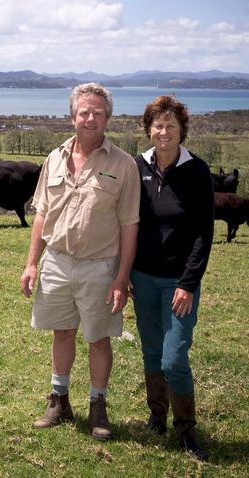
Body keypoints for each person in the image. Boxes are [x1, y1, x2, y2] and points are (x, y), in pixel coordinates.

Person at [20, 83, 140, 440]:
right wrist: (31, 263)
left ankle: (98, 405)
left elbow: (129, 225)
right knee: (62, 331)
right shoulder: (53, 158)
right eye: (84, 112)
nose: (91, 118)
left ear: (108, 119)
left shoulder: (123, 164)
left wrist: (121, 277)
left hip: (100, 265)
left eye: (98, 113)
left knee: (99, 337)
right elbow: (42, 214)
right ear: (73, 116)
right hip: (56, 261)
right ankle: (58, 399)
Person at [130, 95, 214, 460]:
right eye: (158, 125)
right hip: (142, 277)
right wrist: (125, 271)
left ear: (182, 131)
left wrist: (188, 282)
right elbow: (127, 223)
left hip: (178, 281)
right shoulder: (137, 167)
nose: (164, 132)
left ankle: (186, 430)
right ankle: (157, 416)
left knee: (173, 358)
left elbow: (203, 234)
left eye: (171, 126)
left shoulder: (197, 171)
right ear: (149, 129)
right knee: (151, 350)